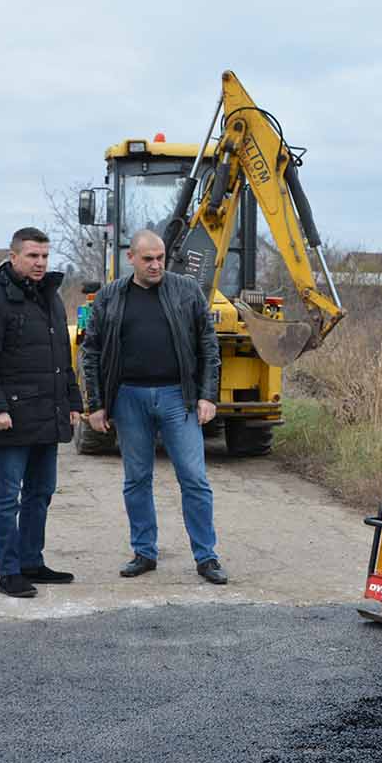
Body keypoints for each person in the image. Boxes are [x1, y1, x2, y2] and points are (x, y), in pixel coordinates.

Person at [80, 229, 227, 585]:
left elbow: (209, 346)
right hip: (129, 398)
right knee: (136, 479)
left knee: (194, 479)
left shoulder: (187, 291)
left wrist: (207, 395)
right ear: (130, 258)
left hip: (179, 397)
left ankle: (206, 557)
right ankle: (144, 552)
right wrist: (96, 404)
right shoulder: (110, 296)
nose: (156, 265)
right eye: (148, 259)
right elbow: (92, 351)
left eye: (160, 257)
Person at [0, 227, 82, 598]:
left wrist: (73, 402)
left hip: (47, 414)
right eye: (33, 256)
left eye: (45, 256)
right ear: (13, 256)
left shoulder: (50, 297)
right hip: (10, 417)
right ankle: (9, 571)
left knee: (41, 492)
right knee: (7, 496)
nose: (40, 263)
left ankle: (32, 561)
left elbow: (62, 359)